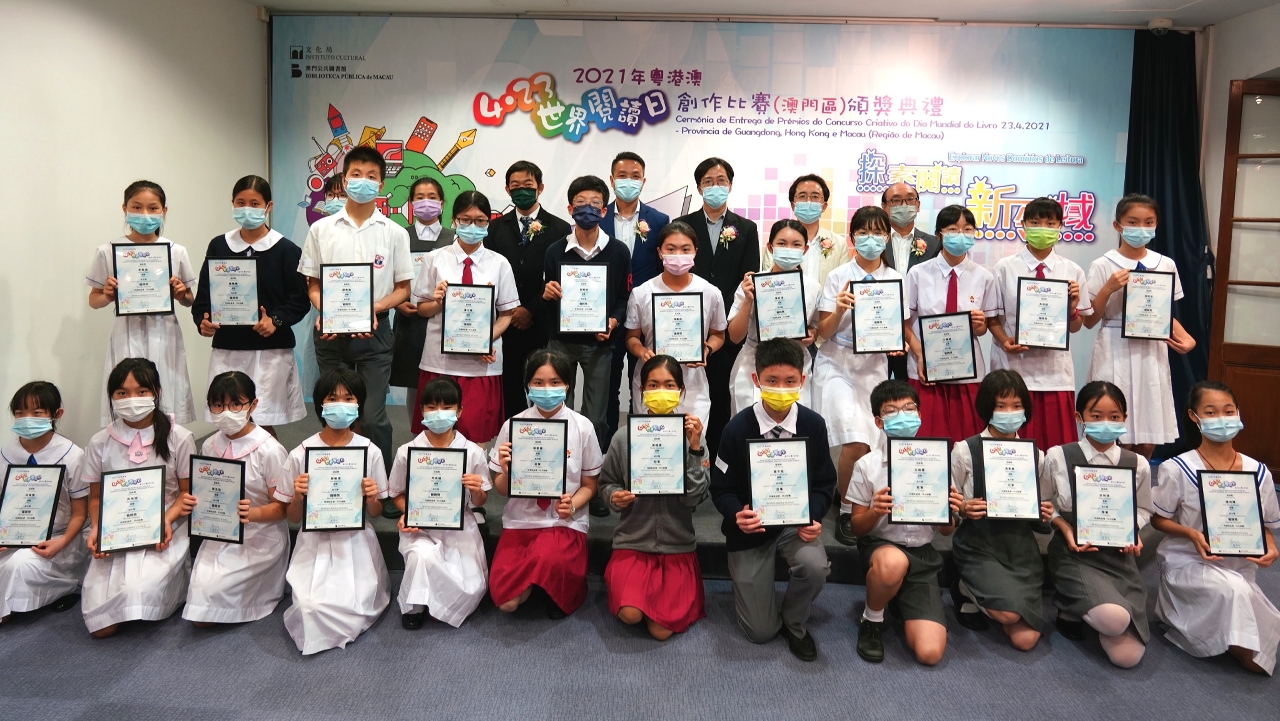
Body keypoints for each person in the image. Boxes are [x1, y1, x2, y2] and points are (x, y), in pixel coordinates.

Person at [710, 338, 836, 662]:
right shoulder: (736, 429)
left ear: (802, 381)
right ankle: (765, 609)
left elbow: (825, 482)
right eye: (772, 380)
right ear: (756, 380)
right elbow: (720, 488)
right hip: (750, 530)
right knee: (760, 632)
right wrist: (736, 513)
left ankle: (795, 621)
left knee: (815, 566)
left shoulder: (813, 425)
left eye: (790, 381)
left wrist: (815, 516)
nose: (781, 388)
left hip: (795, 525)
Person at [298, 146, 414, 479]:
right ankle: (335, 484)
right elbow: (312, 284)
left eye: (371, 176)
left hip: (375, 332)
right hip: (331, 333)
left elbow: (403, 289)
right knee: (335, 413)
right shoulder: (321, 229)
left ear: (381, 184)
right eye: (356, 174)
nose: (363, 181)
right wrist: (326, 309)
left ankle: (383, 486)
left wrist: (374, 308)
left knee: (374, 417)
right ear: (345, 179)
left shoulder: (394, 232)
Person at [1151, 380, 1280, 674]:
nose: (1221, 419)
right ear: (1194, 416)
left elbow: (1264, 525)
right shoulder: (1177, 468)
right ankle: (1195, 621)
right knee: (1236, 596)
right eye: (1210, 412)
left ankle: (1230, 634)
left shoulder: (1258, 472)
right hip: (1189, 561)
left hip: (1239, 565)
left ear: (1238, 413)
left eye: (1228, 411)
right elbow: (1157, 519)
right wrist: (1191, 534)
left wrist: (1271, 548)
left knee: (1242, 597)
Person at [81, 358, 196, 638]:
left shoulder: (179, 437)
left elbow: (187, 492)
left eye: (141, 391)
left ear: (156, 392)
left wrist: (164, 520)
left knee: (138, 591)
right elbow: (95, 498)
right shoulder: (99, 442)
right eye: (122, 392)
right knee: (101, 626)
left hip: (165, 523)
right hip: (116, 525)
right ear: (111, 396)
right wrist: (97, 527)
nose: (131, 399)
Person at [277, 368, 390, 654]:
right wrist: (298, 497)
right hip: (314, 542)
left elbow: (376, 513)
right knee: (309, 606)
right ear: (320, 405)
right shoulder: (301, 453)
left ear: (359, 404)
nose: (340, 405)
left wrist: (372, 498)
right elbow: (293, 517)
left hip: (354, 542)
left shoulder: (370, 451)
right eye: (332, 398)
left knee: (354, 604)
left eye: (348, 398)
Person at [847, 380, 958, 665]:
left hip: (923, 557)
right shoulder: (867, 465)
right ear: (878, 421)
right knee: (893, 563)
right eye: (891, 411)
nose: (903, 415)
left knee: (930, 653)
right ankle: (872, 619)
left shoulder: (937, 461)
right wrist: (875, 511)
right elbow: (856, 528)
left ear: (919, 414)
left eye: (909, 408)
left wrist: (948, 510)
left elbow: (946, 531)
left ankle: (896, 596)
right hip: (882, 548)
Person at [598, 355, 709, 640]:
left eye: (669, 385)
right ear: (642, 389)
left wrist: (694, 450)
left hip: (677, 545)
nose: (661, 391)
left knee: (661, 631)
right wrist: (614, 497)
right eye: (653, 384)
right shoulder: (623, 437)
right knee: (630, 614)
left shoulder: (693, 438)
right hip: (632, 542)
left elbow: (695, 497)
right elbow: (606, 483)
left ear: (681, 391)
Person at [814, 206, 907, 547]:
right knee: (855, 440)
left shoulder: (896, 279)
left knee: (870, 440)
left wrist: (899, 344)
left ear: (887, 237)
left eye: (878, 232)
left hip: (874, 368)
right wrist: (840, 307)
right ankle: (846, 512)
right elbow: (823, 331)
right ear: (852, 237)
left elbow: (900, 328)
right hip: (836, 364)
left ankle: (851, 498)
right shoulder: (838, 276)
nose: (871, 239)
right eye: (864, 232)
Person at [488, 350, 602, 619]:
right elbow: (502, 489)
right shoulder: (513, 426)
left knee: (549, 558)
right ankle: (539, 582)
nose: (547, 389)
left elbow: (590, 485)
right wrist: (506, 470)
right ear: (528, 385)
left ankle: (548, 583)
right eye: (538, 382)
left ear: (567, 386)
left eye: (555, 382)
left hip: (562, 522)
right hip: (521, 521)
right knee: (506, 602)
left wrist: (571, 505)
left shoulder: (582, 427)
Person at [1044, 381, 1151, 668]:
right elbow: (1045, 503)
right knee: (1115, 621)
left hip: (1119, 557)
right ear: (1079, 417)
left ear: (1124, 418)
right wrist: (1064, 527)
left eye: (1114, 416)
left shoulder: (1138, 463)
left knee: (1127, 658)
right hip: (1074, 554)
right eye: (1096, 415)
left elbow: (1143, 508)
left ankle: (1085, 608)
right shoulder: (1057, 455)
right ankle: (1072, 606)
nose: (1106, 422)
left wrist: (1133, 529)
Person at [192, 175, 310, 436]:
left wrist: (275, 321)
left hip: (270, 351)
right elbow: (204, 296)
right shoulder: (219, 245)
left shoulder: (286, 249)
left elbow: (299, 300)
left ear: (268, 206)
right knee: (228, 419)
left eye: (255, 203)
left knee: (262, 422)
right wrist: (203, 321)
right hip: (228, 348)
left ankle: (270, 464)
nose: (247, 209)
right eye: (241, 202)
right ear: (232, 204)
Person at [1083, 194, 1197, 459]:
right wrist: (1108, 288)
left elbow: (1162, 313)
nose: (1141, 228)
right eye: (1133, 222)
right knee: (1114, 427)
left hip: (1150, 350)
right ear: (1118, 225)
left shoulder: (1165, 264)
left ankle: (1139, 480)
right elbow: (1089, 320)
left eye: (1148, 222)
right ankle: (1113, 477)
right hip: (1115, 348)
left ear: (1156, 225)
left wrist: (1186, 338)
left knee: (1149, 429)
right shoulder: (1103, 264)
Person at [949, 369, 1053, 651]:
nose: (1010, 413)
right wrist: (963, 507)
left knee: (1025, 640)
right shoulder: (965, 449)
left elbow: (1039, 508)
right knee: (1008, 615)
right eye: (1001, 406)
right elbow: (949, 500)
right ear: (987, 408)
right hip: (978, 544)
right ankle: (965, 587)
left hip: (1020, 548)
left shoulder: (1035, 455)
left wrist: (1043, 512)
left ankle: (996, 599)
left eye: (1016, 406)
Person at [182, 371, 290, 626]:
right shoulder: (209, 445)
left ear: (253, 405)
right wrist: (195, 504)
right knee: (200, 606)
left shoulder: (270, 450)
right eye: (218, 405)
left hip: (260, 535)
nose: (226, 412)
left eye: (235, 404)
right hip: (219, 532)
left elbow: (282, 509)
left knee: (207, 610)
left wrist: (252, 514)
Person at [411, 190, 519, 443]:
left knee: (476, 435)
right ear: (454, 220)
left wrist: (485, 340)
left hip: (481, 364)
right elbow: (422, 309)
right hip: (440, 362)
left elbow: (506, 314)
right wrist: (437, 301)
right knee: (437, 434)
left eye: (480, 220)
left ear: (488, 222)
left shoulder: (500, 263)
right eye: (466, 220)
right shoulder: (435, 259)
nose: (473, 226)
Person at [86, 180, 197, 425]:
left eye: (153, 208)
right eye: (136, 207)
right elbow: (93, 300)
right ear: (124, 208)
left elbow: (190, 299)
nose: (145, 214)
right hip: (126, 333)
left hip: (164, 333)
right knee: (128, 389)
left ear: (164, 211)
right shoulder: (109, 251)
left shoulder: (176, 251)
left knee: (166, 392)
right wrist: (107, 295)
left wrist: (182, 294)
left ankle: (167, 442)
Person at [387, 377, 490, 629]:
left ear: (459, 411)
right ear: (422, 411)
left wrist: (476, 490)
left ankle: (439, 601)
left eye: (447, 407)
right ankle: (415, 606)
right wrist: (409, 513)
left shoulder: (473, 452)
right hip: (420, 527)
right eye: (431, 407)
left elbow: (481, 499)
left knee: (471, 586)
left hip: (459, 524)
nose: (439, 413)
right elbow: (396, 494)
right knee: (421, 556)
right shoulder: (407, 451)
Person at [988, 196, 1089, 451]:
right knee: (1009, 452)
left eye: (1050, 223)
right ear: (1023, 225)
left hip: (1055, 375)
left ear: (1060, 227)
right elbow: (992, 318)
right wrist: (1004, 341)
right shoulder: (1004, 268)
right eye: (1035, 222)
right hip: (1012, 370)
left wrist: (1072, 309)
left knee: (1056, 453)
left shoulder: (1072, 271)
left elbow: (1076, 326)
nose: (1042, 228)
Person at [677, 158, 760, 459]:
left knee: (722, 398)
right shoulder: (684, 226)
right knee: (687, 397)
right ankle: (688, 460)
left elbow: (749, 277)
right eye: (709, 181)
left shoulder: (746, 228)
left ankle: (720, 464)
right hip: (687, 325)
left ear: (730, 185)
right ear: (699, 187)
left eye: (721, 180)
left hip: (728, 326)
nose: (716, 186)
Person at [541, 175, 631, 450]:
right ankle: (559, 465)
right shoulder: (554, 251)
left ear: (604, 211)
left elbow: (624, 297)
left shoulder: (619, 251)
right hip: (560, 342)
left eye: (594, 204)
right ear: (570, 209)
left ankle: (591, 470)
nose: (587, 209)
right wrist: (547, 294)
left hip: (599, 343)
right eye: (580, 203)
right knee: (557, 411)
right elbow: (548, 299)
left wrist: (613, 321)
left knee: (596, 418)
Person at [903, 204, 999, 444]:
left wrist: (979, 324)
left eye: (967, 229)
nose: (961, 234)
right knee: (927, 443)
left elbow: (982, 329)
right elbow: (904, 322)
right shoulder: (918, 274)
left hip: (967, 374)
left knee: (965, 444)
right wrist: (921, 355)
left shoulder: (984, 277)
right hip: (926, 372)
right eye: (953, 229)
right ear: (939, 234)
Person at [484, 161, 573, 420]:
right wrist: (511, 310)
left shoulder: (559, 228)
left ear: (540, 188)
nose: (521, 190)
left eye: (528, 185)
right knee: (509, 385)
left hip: (543, 321)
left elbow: (560, 277)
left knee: (543, 382)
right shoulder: (495, 228)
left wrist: (531, 309)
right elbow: (489, 270)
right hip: (505, 321)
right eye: (515, 186)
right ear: (507, 189)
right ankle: (514, 432)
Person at [0, 382, 88, 623]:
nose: (27, 419)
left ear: (56, 414)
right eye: (20, 412)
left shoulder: (72, 456)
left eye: (37, 413)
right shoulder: (5, 454)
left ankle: (67, 585)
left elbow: (80, 514)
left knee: (19, 565)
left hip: (60, 536)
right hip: (13, 535)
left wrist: (61, 542)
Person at [625, 222, 727, 425]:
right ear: (659, 252)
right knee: (652, 441)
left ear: (695, 252)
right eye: (670, 249)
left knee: (692, 440)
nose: (678, 255)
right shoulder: (642, 292)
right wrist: (642, 352)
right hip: (653, 385)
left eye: (685, 249)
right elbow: (631, 337)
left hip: (693, 382)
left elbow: (719, 334)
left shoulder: (710, 292)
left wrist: (707, 349)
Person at [602, 152, 670, 445]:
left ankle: (640, 445)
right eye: (622, 175)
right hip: (607, 316)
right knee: (607, 387)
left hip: (645, 317)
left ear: (643, 181)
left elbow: (661, 267)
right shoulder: (598, 217)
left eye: (634, 176)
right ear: (611, 180)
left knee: (644, 383)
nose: (628, 181)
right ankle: (606, 449)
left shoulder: (659, 220)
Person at [390, 175, 457, 442]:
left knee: (446, 379)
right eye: (419, 198)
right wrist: (397, 301)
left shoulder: (454, 238)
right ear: (410, 203)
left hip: (445, 319)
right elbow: (385, 276)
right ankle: (417, 437)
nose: (425, 203)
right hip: (409, 319)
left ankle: (448, 438)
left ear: (442, 203)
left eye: (432, 197)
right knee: (414, 381)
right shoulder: (399, 236)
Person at [727, 219, 818, 416]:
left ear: (805, 249)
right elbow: (734, 336)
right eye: (782, 243)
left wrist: (811, 334)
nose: (789, 249)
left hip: (795, 364)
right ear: (770, 247)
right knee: (750, 426)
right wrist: (748, 300)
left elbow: (815, 327)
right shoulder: (751, 283)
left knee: (795, 425)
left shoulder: (813, 287)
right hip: (753, 363)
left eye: (796, 244)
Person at [880, 182, 940, 381]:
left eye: (909, 199)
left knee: (911, 393)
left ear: (918, 205)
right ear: (884, 207)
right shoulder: (874, 242)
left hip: (917, 337)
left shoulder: (934, 244)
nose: (904, 205)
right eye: (896, 200)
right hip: (879, 331)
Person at [760, 174, 849, 303]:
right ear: (793, 205)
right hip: (784, 309)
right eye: (802, 196)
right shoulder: (778, 242)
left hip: (828, 312)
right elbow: (767, 280)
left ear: (824, 206)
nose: (808, 201)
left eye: (815, 197)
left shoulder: (839, 244)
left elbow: (843, 284)